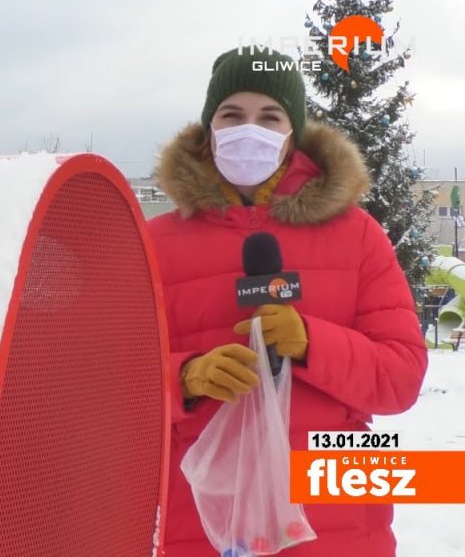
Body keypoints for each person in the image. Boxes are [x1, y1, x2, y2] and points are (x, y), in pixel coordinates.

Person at [147, 47, 428, 556]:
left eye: (269, 117)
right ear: (208, 131)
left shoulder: (358, 235)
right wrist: (184, 378)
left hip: (338, 526)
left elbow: (402, 376)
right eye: (231, 115)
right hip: (204, 526)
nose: (248, 129)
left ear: (293, 133)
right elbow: (106, 387)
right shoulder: (152, 245)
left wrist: (311, 344)